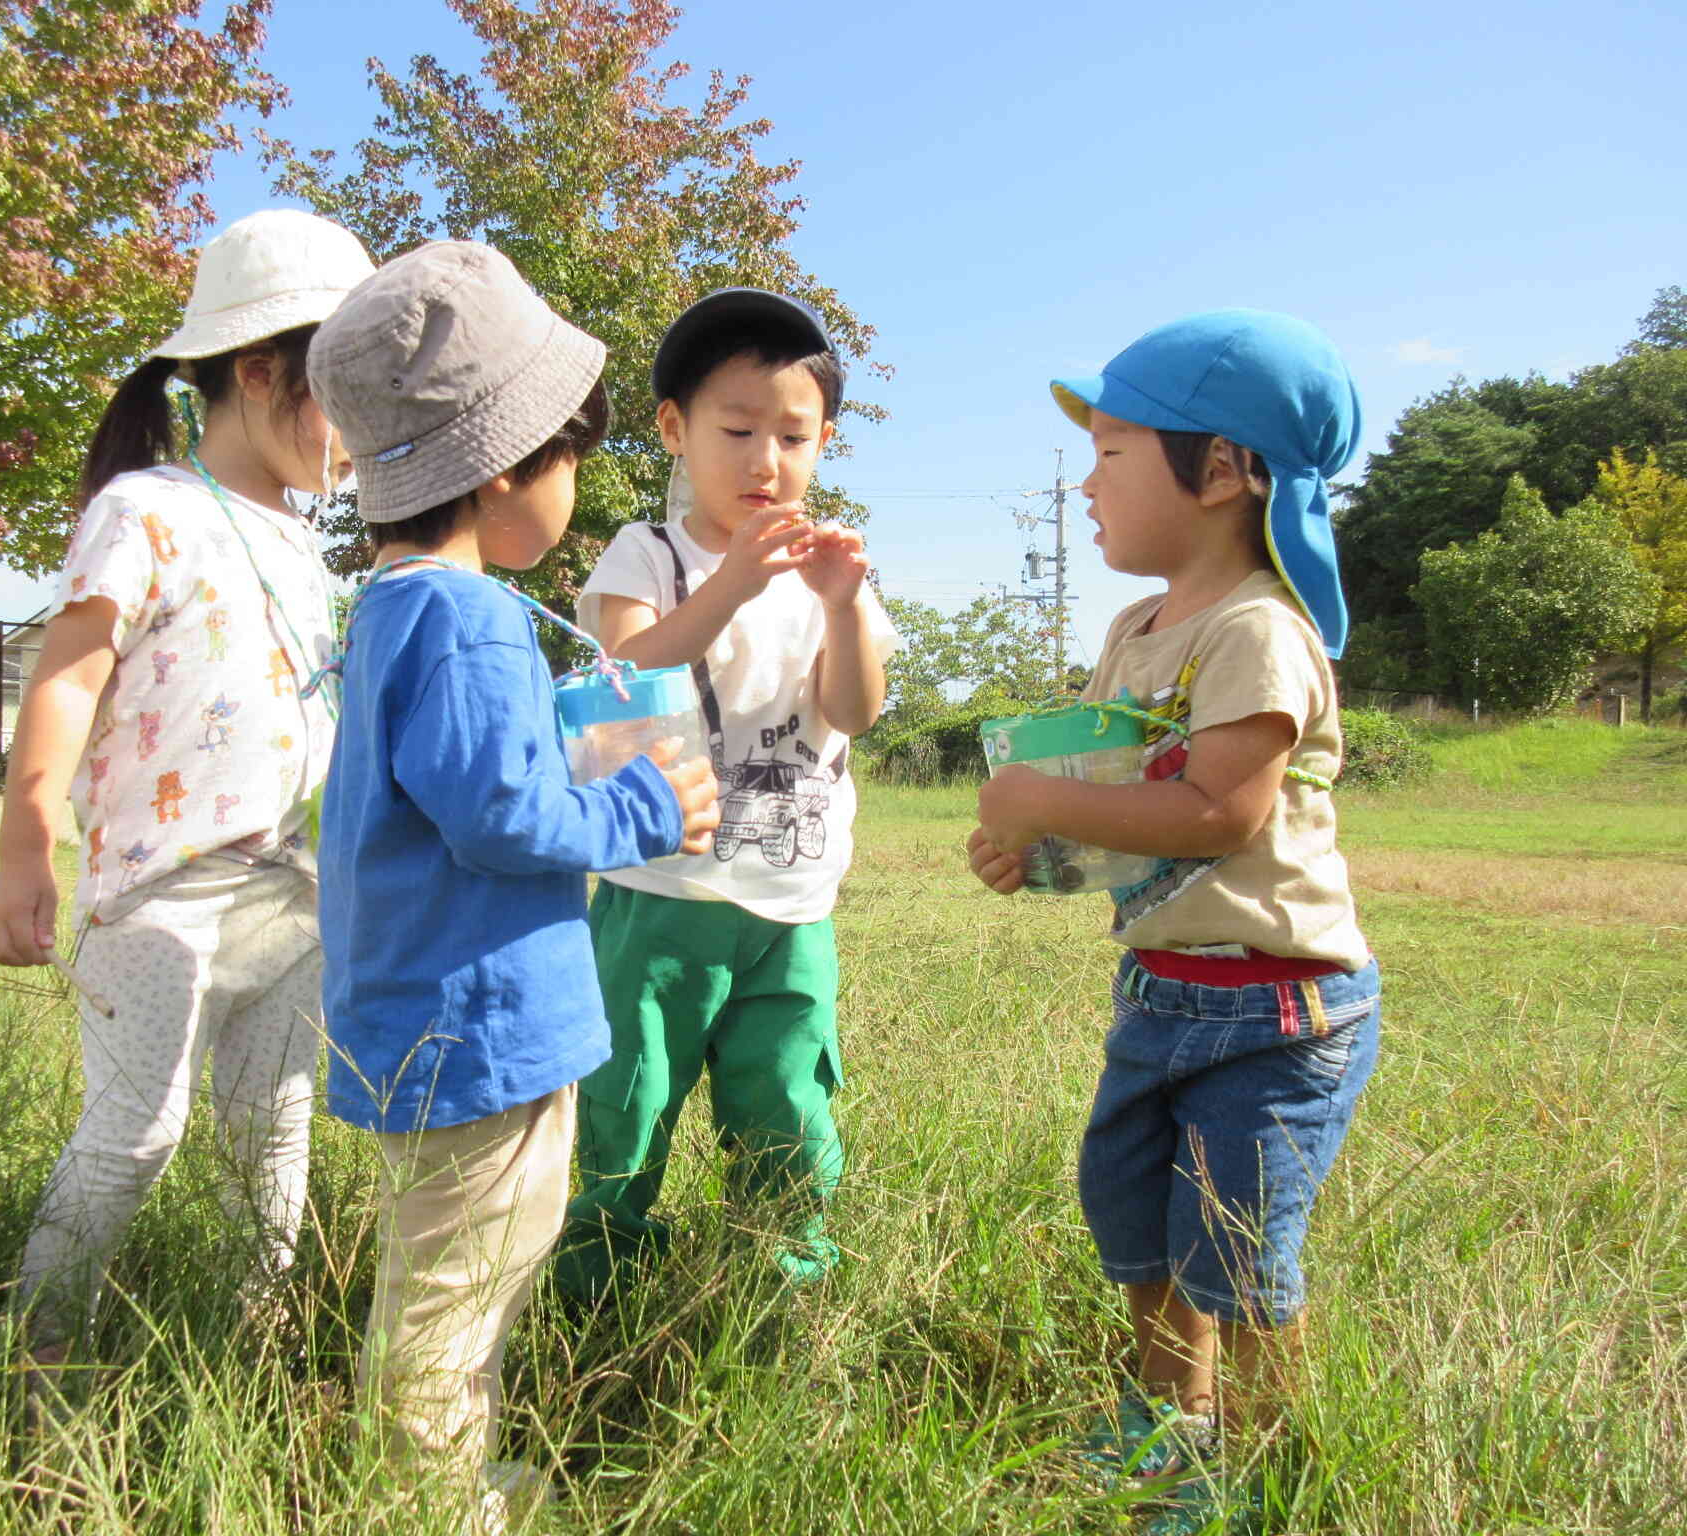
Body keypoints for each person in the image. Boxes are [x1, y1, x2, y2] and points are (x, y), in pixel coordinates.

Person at [306, 240, 720, 1529]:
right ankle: (423, 1503)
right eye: (570, 455)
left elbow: (455, 779)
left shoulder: (390, 609)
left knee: (443, 1269)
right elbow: (495, 816)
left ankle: (440, 1472)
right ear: (501, 468)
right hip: (476, 1027)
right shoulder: (470, 615)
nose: (577, 488)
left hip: (409, 1018)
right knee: (454, 1291)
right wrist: (644, 803)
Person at [965, 311, 1378, 1535]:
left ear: (1220, 472)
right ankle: (1169, 1428)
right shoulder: (1131, 633)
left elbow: (1217, 812)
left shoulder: (1254, 629)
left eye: (1107, 454)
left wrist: (1037, 796)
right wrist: (1030, 844)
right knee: (1135, 1214)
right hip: (1160, 990)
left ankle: (1263, 1463)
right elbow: (1108, 798)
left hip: (1274, 1008)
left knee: (1236, 1250)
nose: (1083, 484)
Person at [0, 210, 375, 1409]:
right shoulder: (147, 508)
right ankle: (37, 1364)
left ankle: (250, 1351)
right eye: (340, 395)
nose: (356, 438)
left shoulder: (307, 546)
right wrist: (24, 853)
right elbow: (67, 681)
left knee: (276, 1139)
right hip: (164, 893)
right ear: (258, 371)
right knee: (134, 1134)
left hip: (289, 899)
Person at [554, 288, 900, 1300]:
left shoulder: (834, 570)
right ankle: (595, 1270)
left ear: (824, 441)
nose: (764, 461)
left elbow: (855, 707)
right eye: (736, 430)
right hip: (657, 893)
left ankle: (781, 1273)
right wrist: (728, 588)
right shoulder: (647, 554)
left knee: (787, 1098)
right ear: (673, 429)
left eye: (792, 436)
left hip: (791, 906)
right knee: (625, 1095)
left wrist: (840, 610)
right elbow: (620, 673)